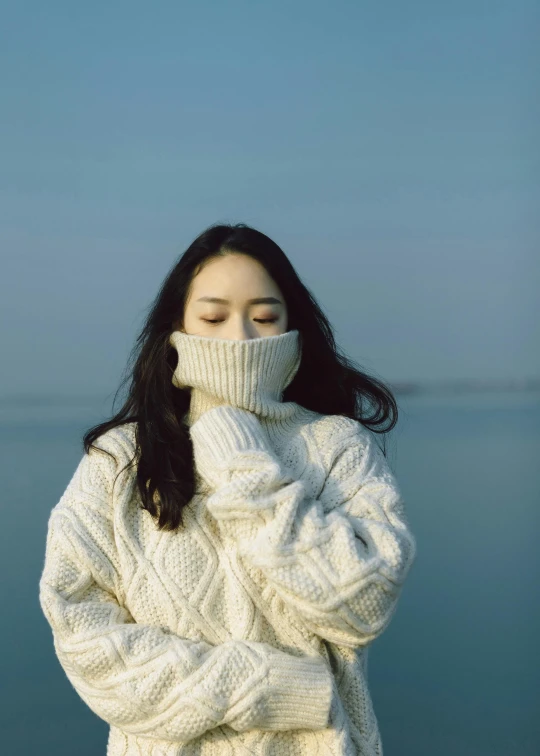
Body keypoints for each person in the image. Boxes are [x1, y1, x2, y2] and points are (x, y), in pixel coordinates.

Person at [39, 222, 417, 756]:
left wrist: (239, 458)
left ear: (294, 327)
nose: (239, 338)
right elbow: (81, 634)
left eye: (263, 317)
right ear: (178, 327)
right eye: (213, 317)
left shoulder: (336, 446)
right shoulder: (118, 461)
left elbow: (362, 606)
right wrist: (262, 686)